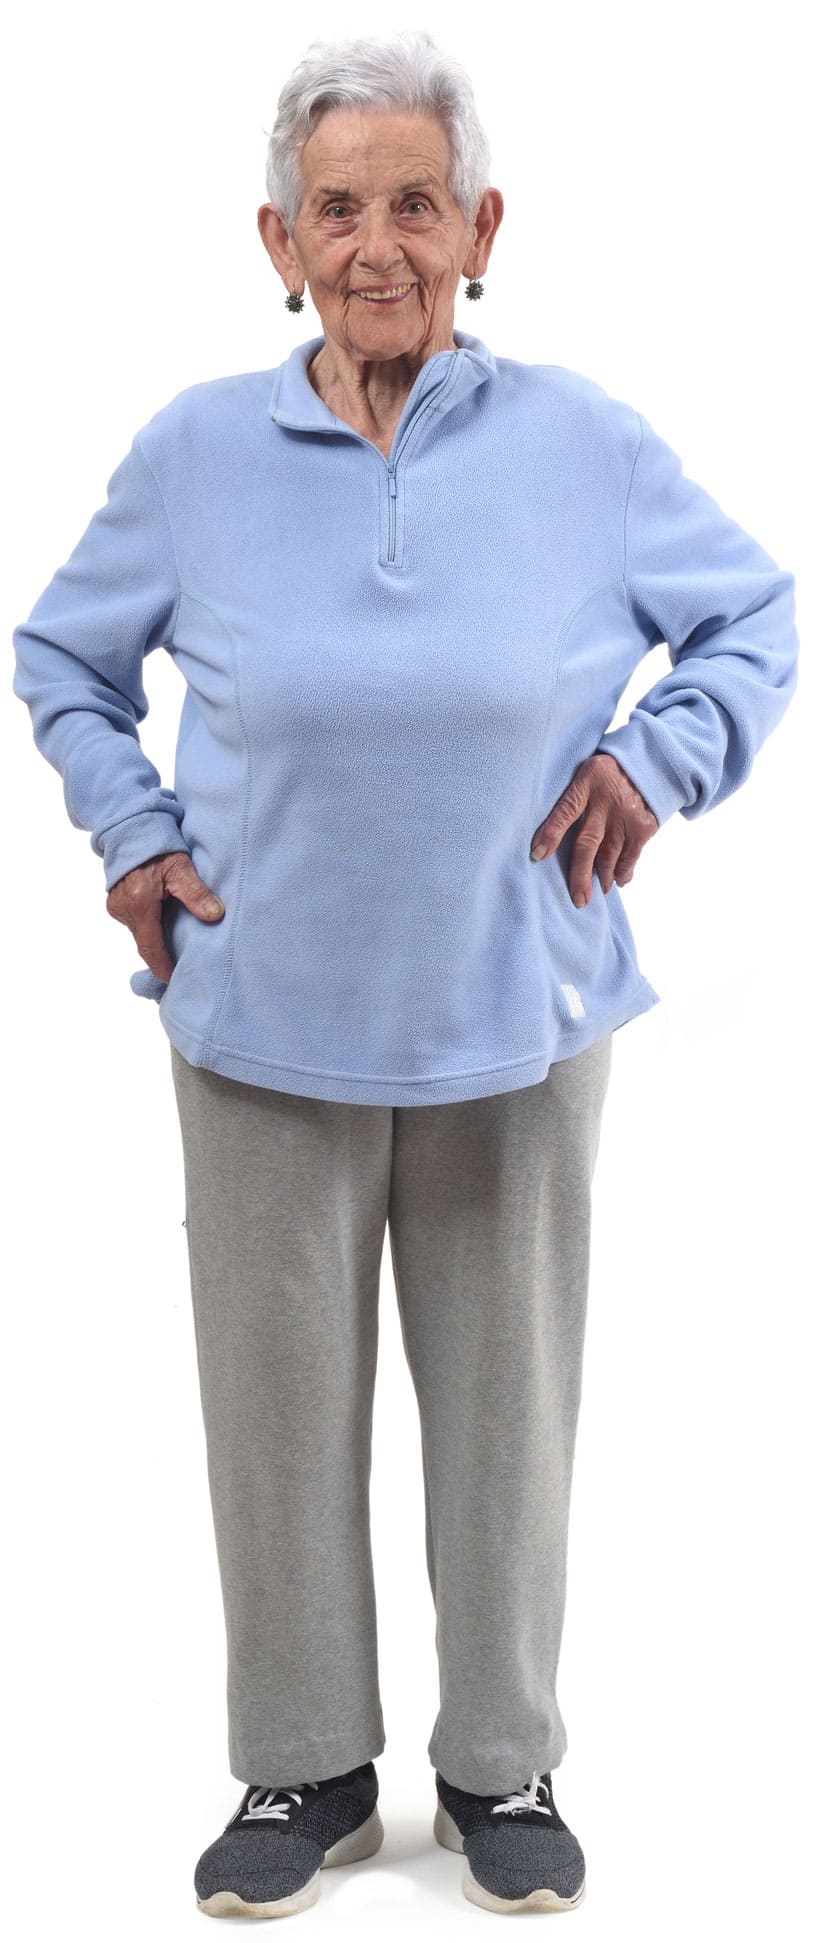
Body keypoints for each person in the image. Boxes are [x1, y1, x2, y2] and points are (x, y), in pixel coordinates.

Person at [10, 27, 798, 1923]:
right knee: (274, 1412)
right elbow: (62, 663)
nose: (379, 244)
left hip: (512, 1013)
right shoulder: (195, 449)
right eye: (336, 208)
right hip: (261, 1012)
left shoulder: (583, 442)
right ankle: (303, 1772)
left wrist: (651, 762)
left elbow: (753, 616)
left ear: (482, 227)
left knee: (508, 1413)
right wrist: (134, 837)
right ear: (276, 241)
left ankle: (498, 1764)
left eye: (415, 203)